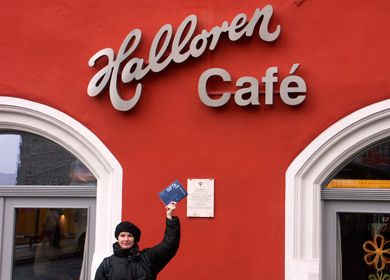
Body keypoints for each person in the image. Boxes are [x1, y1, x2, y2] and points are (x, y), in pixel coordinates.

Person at [94, 202, 180, 280]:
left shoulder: (147, 258)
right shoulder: (107, 265)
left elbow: (169, 246)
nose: (126, 239)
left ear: (134, 239)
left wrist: (170, 217)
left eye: (130, 236)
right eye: (122, 236)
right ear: (118, 238)